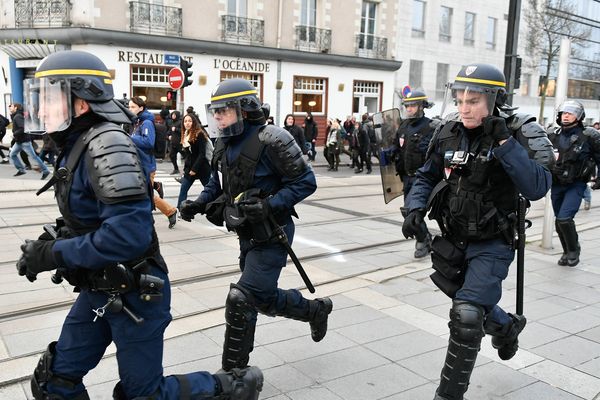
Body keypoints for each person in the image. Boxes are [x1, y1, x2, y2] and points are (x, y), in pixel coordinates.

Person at [17, 50, 263, 400]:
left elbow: (127, 236)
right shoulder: (78, 144)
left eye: (49, 99)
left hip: (136, 292)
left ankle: (232, 386)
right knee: (53, 382)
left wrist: (54, 253)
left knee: (143, 395)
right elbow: (92, 215)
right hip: (100, 287)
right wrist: (51, 240)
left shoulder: (108, 145)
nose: (40, 111)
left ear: (82, 102)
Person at [402, 63, 554, 400]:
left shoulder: (520, 130)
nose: (464, 108)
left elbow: (538, 186)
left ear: (494, 99)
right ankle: (507, 327)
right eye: (460, 99)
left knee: (467, 315)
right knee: (473, 304)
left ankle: (448, 395)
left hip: (494, 241)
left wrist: (503, 141)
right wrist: (415, 208)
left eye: (473, 101)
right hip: (454, 238)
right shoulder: (448, 130)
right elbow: (426, 175)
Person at [179, 78, 333, 372]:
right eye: (215, 112)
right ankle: (315, 310)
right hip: (245, 233)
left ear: (244, 109)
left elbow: (306, 182)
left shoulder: (273, 138)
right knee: (260, 297)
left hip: (273, 233)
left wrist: (269, 204)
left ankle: (233, 377)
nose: (218, 117)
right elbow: (219, 183)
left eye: (223, 111)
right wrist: (198, 202)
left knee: (242, 298)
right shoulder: (223, 143)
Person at [547, 100, 600, 267]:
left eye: (570, 113)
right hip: (556, 184)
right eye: (564, 113)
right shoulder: (552, 135)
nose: (566, 115)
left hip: (576, 184)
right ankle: (566, 251)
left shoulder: (589, 135)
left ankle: (573, 250)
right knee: (558, 221)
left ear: (579, 116)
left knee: (564, 218)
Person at [393, 89, 437, 258]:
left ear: (421, 106)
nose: (409, 109)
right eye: (407, 105)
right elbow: (398, 145)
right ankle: (424, 237)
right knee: (408, 211)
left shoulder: (430, 127)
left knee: (409, 210)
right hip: (406, 177)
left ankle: (423, 239)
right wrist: (391, 152)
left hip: (421, 178)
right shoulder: (404, 125)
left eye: (412, 105)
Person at [128, 96, 178, 229]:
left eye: (132, 106)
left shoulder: (146, 123)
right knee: (143, 194)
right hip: (138, 165)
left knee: (145, 195)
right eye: (129, 106)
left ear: (141, 108)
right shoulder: (136, 122)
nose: (130, 109)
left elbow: (148, 142)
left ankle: (169, 211)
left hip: (146, 165)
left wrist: (130, 138)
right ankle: (156, 188)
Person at [177, 113, 212, 208]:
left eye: (189, 121)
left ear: (194, 122)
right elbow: (188, 156)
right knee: (183, 189)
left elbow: (202, 154)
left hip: (202, 168)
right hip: (190, 168)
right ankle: (181, 209)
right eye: (185, 121)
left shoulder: (199, 134)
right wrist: (187, 169)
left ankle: (215, 206)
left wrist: (194, 169)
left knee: (209, 189)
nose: (187, 123)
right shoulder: (185, 135)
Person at [9, 102, 50, 178]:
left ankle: (46, 170)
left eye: (11, 106)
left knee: (34, 157)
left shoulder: (17, 116)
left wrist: (14, 134)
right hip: (19, 141)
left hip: (24, 141)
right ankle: (21, 170)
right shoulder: (16, 116)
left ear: (16, 108)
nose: (9, 108)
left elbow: (23, 128)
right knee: (12, 154)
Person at [167, 110, 182, 175]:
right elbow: (169, 131)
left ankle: (189, 169)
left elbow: (183, 131)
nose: (173, 116)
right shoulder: (172, 123)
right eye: (172, 115)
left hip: (180, 143)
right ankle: (176, 169)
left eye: (174, 115)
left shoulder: (180, 122)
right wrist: (168, 135)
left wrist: (176, 129)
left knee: (186, 156)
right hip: (173, 143)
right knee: (171, 156)